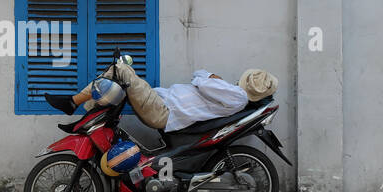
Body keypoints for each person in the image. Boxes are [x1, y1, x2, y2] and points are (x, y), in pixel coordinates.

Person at [44, 62, 278, 133]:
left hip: (163, 111)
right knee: (122, 73)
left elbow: (200, 77)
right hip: (160, 104)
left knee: (121, 70)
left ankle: (72, 103)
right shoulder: (235, 95)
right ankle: (82, 116)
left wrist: (212, 76)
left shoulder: (237, 95)